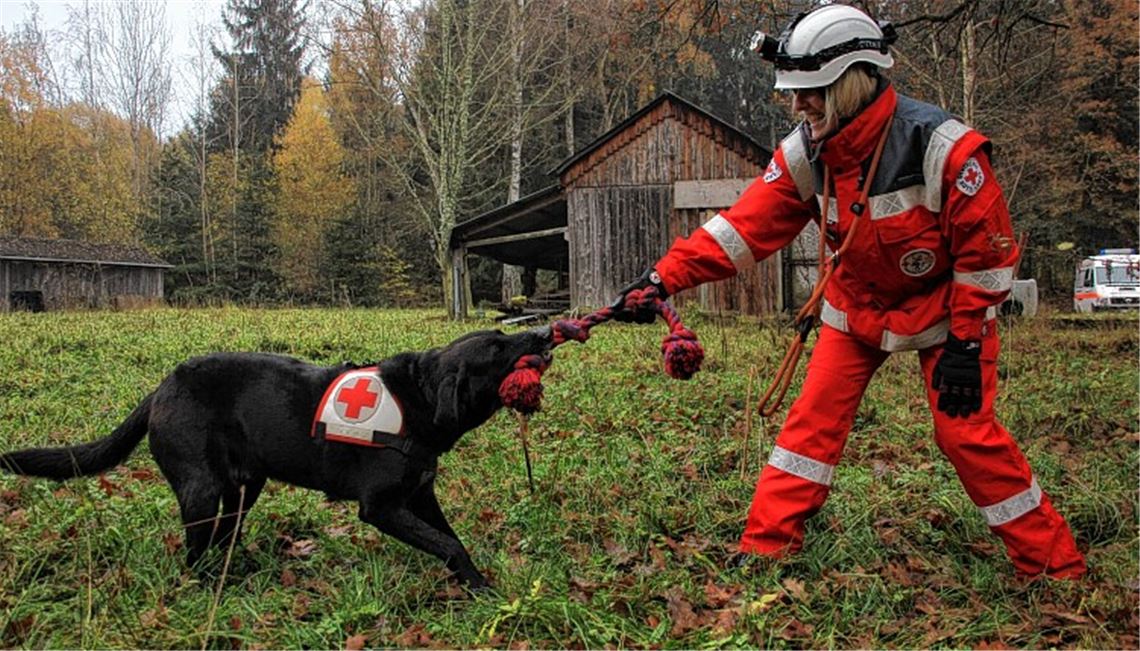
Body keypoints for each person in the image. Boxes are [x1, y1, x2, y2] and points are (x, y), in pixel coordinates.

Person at [611, 4, 1085, 579]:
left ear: (853, 82)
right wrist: (664, 277)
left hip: (946, 313)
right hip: (857, 307)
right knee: (810, 423)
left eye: (811, 92)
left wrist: (964, 343)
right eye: (794, 92)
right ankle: (766, 547)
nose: (797, 106)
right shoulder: (808, 151)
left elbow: (987, 259)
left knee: (964, 434)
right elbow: (742, 229)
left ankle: (1055, 566)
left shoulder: (945, 149)